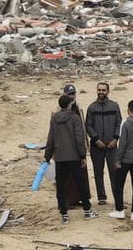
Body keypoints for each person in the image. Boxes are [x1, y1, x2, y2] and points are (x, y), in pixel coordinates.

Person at [43, 94, 96, 223]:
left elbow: (51, 138)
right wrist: (82, 155)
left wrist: (47, 155)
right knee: (80, 183)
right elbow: (79, 138)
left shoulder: (55, 119)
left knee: (61, 186)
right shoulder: (75, 118)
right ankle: (87, 210)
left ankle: (64, 214)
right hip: (74, 156)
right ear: (69, 104)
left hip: (60, 157)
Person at [108, 99, 133, 220]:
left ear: (128, 109)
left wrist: (117, 159)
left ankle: (120, 210)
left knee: (119, 185)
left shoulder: (126, 123)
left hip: (125, 159)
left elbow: (122, 143)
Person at [85, 81, 122, 206]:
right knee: (98, 172)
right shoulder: (91, 108)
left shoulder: (114, 106)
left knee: (114, 172)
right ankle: (101, 197)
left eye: (103, 90)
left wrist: (115, 139)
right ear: (97, 91)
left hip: (112, 147)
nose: (101, 92)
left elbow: (119, 123)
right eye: (99, 90)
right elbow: (88, 126)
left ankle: (117, 196)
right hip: (97, 147)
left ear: (108, 91)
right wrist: (96, 140)